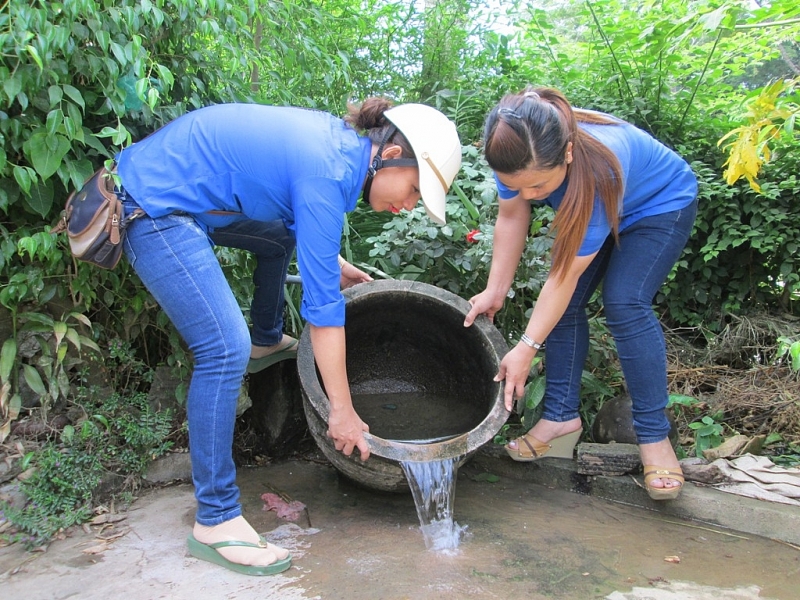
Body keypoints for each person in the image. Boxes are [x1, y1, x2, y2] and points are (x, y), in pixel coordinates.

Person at [109, 99, 462, 574]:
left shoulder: (337, 151)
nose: (409, 205)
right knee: (221, 349)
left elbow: (294, 214)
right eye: (416, 188)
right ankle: (215, 520)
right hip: (149, 204)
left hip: (183, 195)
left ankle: (267, 337)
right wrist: (342, 411)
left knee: (277, 240)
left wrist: (330, 264)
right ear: (393, 151)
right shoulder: (328, 173)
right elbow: (324, 312)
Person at [463, 86, 697, 501]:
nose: (532, 196)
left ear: (567, 154)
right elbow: (512, 214)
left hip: (658, 206)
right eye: (518, 185)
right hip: (600, 207)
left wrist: (526, 346)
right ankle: (559, 419)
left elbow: (563, 276)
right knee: (563, 308)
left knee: (625, 303)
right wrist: (494, 290)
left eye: (539, 186)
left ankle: (654, 437)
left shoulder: (600, 167)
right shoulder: (515, 150)